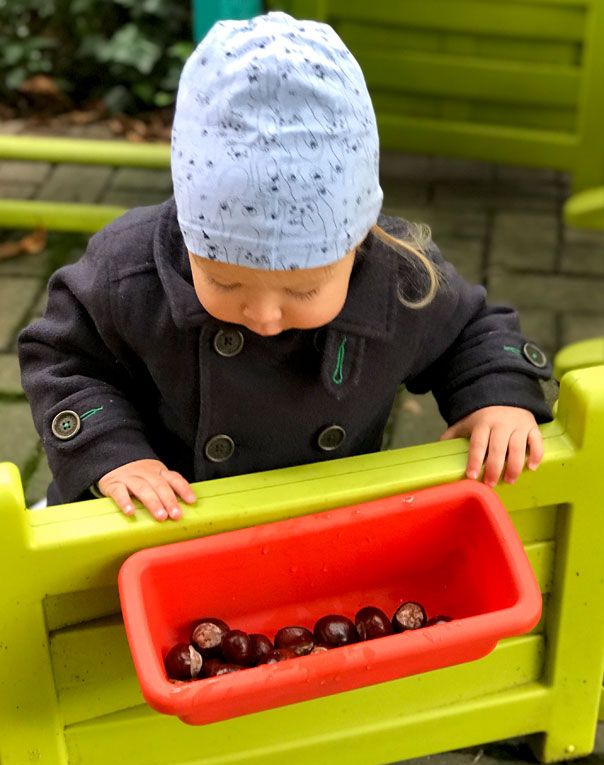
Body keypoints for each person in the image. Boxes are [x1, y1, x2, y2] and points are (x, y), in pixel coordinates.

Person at [18, 12, 553, 521]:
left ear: (360, 239)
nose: (265, 315)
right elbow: (64, 357)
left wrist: (498, 398)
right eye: (223, 280)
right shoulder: (129, 270)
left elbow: (472, 331)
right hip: (155, 518)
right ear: (188, 229)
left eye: (302, 290)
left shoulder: (399, 276)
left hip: (312, 523)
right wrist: (107, 452)